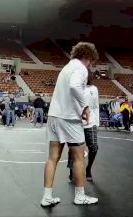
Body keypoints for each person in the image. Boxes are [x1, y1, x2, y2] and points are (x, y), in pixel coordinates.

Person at [41, 42, 99, 207]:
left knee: (53, 158)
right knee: (79, 157)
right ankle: (80, 196)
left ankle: (47, 196)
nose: (90, 65)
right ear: (87, 57)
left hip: (54, 116)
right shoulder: (80, 68)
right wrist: (85, 107)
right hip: (69, 118)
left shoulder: (66, 67)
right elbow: (74, 86)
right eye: (91, 61)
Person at [68, 76, 99, 182]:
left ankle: (88, 168)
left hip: (91, 123)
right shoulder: (73, 88)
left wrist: (97, 123)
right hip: (76, 123)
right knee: (74, 149)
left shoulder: (94, 89)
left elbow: (95, 106)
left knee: (94, 147)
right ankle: (72, 171)